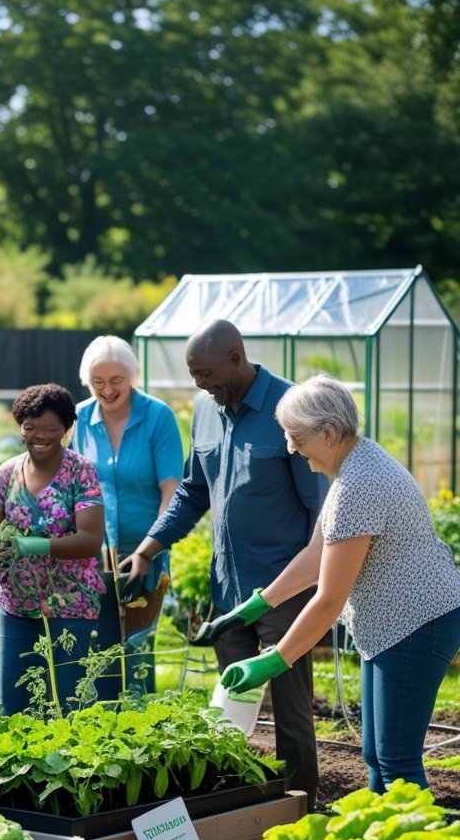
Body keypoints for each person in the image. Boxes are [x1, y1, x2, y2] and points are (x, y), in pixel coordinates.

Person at [217, 373, 460, 795]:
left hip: (418, 626)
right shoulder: (354, 465)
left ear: (328, 433)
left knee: (398, 761)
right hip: (394, 626)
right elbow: (316, 554)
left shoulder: (359, 484)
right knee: (376, 755)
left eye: (296, 436)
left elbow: (329, 599)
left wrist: (273, 661)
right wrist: (257, 604)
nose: (291, 447)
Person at [122, 319, 328, 807]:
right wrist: (147, 548)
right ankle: (234, 807)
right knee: (231, 706)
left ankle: (299, 807)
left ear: (236, 358)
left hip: (284, 590)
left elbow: (321, 511)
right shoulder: (204, 410)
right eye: (193, 374)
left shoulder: (290, 409)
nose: (199, 384)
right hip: (228, 590)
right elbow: (193, 491)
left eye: (206, 373)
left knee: (290, 710)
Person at [0, 383, 105, 715]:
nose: (40, 436)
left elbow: (91, 540)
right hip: (17, 604)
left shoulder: (80, 472)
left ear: (66, 429)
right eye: (30, 427)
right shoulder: (8, 472)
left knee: (67, 703)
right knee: (13, 702)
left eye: (51, 429)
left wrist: (31, 545)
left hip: (70, 604)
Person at [72, 334, 183, 696]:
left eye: (116, 380)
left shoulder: (157, 417)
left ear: (132, 376)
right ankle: (100, 728)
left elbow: (172, 490)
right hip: (92, 552)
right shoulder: (79, 419)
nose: (106, 389)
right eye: (97, 381)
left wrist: (149, 550)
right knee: (96, 649)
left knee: (136, 647)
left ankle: (138, 726)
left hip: (144, 551)